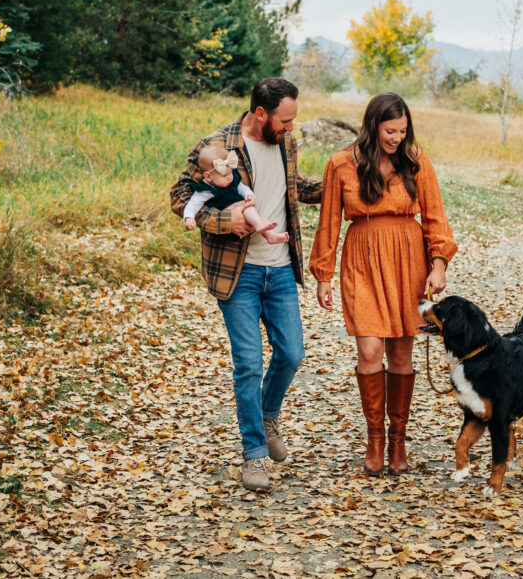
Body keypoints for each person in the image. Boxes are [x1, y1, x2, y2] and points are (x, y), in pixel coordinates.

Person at [170, 77, 321, 491]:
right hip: (238, 273)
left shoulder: (286, 143)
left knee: (291, 354)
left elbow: (295, 188)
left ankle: (268, 412)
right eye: (285, 120)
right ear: (260, 113)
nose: (291, 128)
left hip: (281, 268)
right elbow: (181, 196)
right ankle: (254, 456)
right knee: (249, 363)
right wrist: (225, 221)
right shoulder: (217, 148)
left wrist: (339, 184)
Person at [310, 92, 457, 475]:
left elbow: (436, 219)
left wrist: (438, 265)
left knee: (402, 356)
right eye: (390, 130)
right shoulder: (341, 164)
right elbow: (327, 223)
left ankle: (397, 441)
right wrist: (323, 275)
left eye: (403, 130)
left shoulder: (415, 160)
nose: (396, 137)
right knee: (370, 352)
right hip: (361, 258)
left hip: (407, 260)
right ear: (373, 125)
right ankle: (374, 438)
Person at [182, 142, 289, 244]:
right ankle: (259, 224)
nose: (230, 178)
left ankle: (271, 236)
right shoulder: (205, 190)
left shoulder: (231, 180)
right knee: (245, 206)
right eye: (224, 175)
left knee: (262, 218)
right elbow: (192, 204)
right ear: (208, 176)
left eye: (231, 173)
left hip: (241, 215)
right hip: (226, 218)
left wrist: (249, 195)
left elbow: (242, 188)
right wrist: (189, 218)